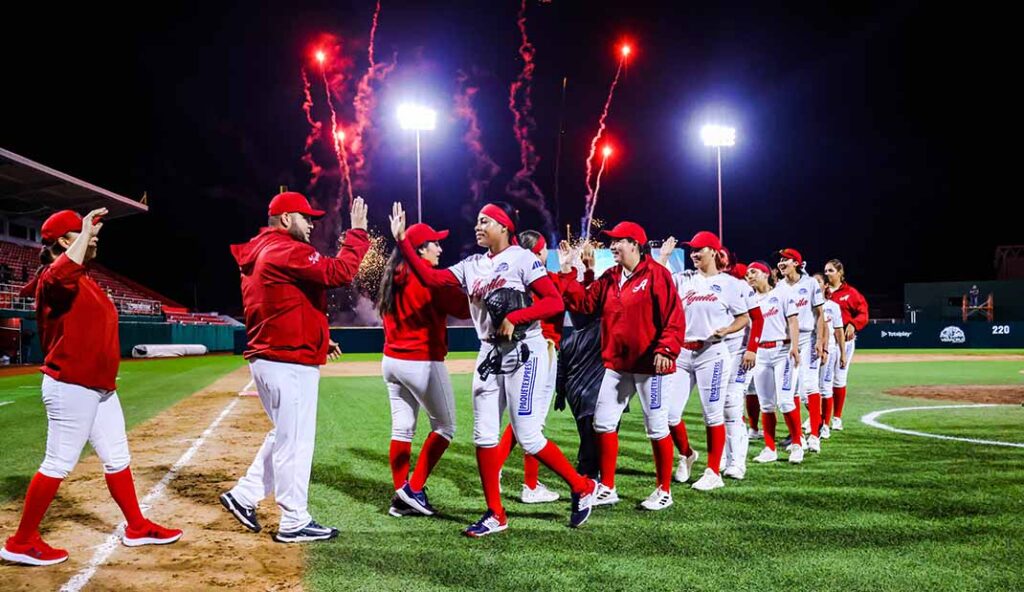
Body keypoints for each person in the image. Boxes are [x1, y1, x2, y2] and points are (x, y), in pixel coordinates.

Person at [389, 201, 596, 537]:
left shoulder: (522, 259)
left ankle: (581, 486)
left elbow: (553, 303)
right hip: (489, 352)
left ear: (503, 227)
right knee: (483, 435)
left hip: (524, 351)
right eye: (477, 221)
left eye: (485, 221)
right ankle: (495, 514)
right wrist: (401, 242)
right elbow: (430, 279)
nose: (478, 226)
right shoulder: (471, 265)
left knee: (528, 436)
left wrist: (516, 317)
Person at [2, 209, 181, 567]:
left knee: (118, 458)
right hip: (70, 385)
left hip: (99, 388)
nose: (94, 237)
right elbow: (57, 274)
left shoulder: (82, 275)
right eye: (83, 233)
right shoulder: (56, 276)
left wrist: (82, 236)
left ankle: (137, 526)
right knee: (58, 463)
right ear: (63, 242)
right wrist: (83, 234)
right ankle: (21, 542)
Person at [220, 192, 369, 543]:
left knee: (283, 435)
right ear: (286, 219)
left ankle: (244, 495)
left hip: (271, 357)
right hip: (287, 362)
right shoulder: (288, 249)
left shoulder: (263, 249)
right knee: (296, 442)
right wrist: (357, 233)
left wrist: (319, 337)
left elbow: (284, 304)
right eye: (306, 217)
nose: (312, 223)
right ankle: (293, 520)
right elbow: (340, 272)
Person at [559, 222, 686, 510]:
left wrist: (667, 348)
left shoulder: (657, 274)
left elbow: (674, 316)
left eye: (619, 241)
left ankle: (664, 490)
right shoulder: (610, 276)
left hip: (651, 365)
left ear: (635, 244)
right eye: (612, 241)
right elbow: (584, 304)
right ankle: (608, 487)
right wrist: (568, 271)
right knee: (602, 422)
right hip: (617, 365)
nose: (613, 246)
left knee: (656, 427)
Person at [376, 222, 470, 517]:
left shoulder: (394, 274)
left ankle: (401, 498)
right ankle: (413, 489)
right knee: (445, 427)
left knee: (402, 429)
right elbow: (465, 309)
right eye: (435, 244)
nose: (440, 248)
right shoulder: (430, 280)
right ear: (419, 250)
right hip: (421, 361)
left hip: (391, 362)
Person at [656, 232, 749, 490]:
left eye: (699, 249)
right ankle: (686, 454)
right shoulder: (685, 278)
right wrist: (663, 257)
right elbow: (658, 281)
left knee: (713, 414)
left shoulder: (729, 283)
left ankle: (713, 472)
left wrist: (728, 330)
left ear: (713, 251)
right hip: (683, 353)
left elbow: (744, 318)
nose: (694, 254)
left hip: (712, 352)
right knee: (669, 414)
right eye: (692, 250)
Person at [496, 230, 568, 505]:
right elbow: (561, 299)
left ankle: (496, 469)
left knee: (518, 422)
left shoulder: (512, 276)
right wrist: (569, 270)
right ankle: (530, 486)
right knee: (532, 423)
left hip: (521, 350)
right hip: (543, 349)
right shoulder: (538, 277)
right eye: (543, 249)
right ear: (536, 253)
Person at [747, 261, 804, 464]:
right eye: (747, 273)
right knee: (766, 404)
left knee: (786, 401)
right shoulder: (749, 300)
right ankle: (770, 449)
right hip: (760, 354)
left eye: (753, 271)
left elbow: (793, 321)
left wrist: (795, 347)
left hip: (782, 351)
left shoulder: (782, 293)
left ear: (765, 273)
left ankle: (797, 445)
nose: (749, 275)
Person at [776, 249, 828, 455]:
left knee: (809, 385)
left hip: (808, 338)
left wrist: (821, 340)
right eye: (780, 260)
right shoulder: (779, 286)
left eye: (785, 259)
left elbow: (820, 313)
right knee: (792, 391)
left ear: (796, 263)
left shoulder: (810, 284)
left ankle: (815, 435)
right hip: (788, 342)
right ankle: (797, 437)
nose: (781, 263)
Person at [823, 259, 868, 431]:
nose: (827, 273)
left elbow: (863, 312)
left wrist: (854, 324)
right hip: (826, 341)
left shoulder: (851, 293)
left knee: (839, 379)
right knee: (821, 382)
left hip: (844, 342)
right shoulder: (822, 291)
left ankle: (837, 418)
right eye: (826, 271)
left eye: (831, 270)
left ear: (840, 272)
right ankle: (821, 417)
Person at [813, 273, 847, 439]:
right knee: (810, 390)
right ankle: (816, 420)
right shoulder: (806, 304)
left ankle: (825, 425)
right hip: (810, 350)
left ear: (826, 285)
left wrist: (843, 354)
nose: (815, 283)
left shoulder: (832, 306)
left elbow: (839, 331)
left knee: (825, 388)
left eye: (819, 281)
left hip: (829, 350)